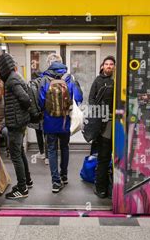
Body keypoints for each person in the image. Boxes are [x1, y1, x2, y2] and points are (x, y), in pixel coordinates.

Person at [38, 53, 83, 193]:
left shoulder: (44, 79)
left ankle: (55, 182)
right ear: (62, 63)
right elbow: (79, 98)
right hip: (65, 121)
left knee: (51, 150)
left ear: (49, 63)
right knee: (64, 147)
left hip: (49, 121)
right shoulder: (69, 78)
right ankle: (64, 176)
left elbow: (41, 101)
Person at [0, 53, 33, 199]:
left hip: (15, 124)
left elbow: (25, 99)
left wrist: (19, 113)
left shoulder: (11, 80)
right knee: (20, 152)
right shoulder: (15, 77)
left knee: (16, 156)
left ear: (3, 67)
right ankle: (27, 181)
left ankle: (22, 189)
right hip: (18, 122)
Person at [88, 55, 115, 198]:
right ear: (102, 66)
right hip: (103, 125)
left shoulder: (118, 81)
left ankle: (111, 186)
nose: (109, 66)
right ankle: (101, 189)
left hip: (117, 124)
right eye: (107, 64)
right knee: (103, 156)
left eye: (111, 64)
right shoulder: (98, 81)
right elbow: (91, 100)